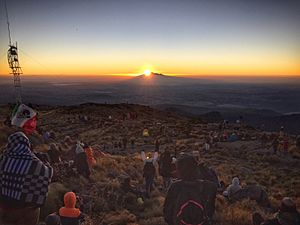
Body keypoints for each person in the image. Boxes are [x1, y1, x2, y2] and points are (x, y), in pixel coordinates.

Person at [0, 105, 53, 225]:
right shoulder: (33, 162)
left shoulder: (3, 159)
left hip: (4, 209)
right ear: (26, 144)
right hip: (26, 211)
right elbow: (47, 173)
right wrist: (45, 162)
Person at [164, 155, 217, 225]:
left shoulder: (175, 187)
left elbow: (167, 213)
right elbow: (210, 211)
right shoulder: (209, 187)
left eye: (177, 169)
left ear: (181, 170)